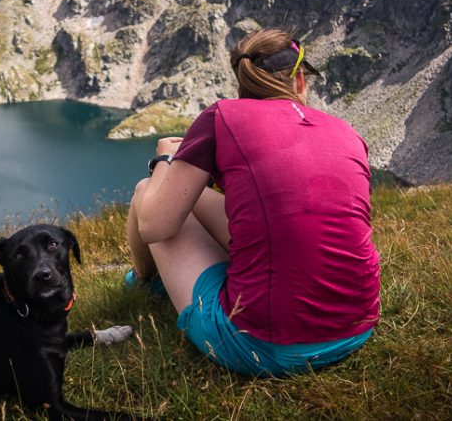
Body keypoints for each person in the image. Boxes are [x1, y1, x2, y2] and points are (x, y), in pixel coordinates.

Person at [125, 27, 380, 376]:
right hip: (357, 328)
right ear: (300, 81)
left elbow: (155, 225)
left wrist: (165, 162)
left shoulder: (222, 116)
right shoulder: (346, 131)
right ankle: (149, 279)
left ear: (244, 82)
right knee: (198, 199)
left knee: (146, 192)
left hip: (261, 345)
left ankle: (141, 281)